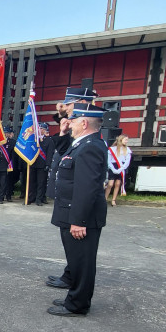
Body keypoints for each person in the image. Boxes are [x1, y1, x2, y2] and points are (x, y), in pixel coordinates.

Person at [47, 103, 109, 317]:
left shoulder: (90, 146)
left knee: (82, 262)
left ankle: (78, 304)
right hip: (72, 212)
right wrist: (63, 133)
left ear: (84, 123)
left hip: (81, 217)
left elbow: (87, 187)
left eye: (72, 120)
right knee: (76, 260)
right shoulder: (83, 143)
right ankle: (74, 296)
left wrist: (79, 221)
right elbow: (65, 153)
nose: (69, 123)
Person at [26, 123, 49, 205]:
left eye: (42, 129)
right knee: (31, 182)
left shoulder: (48, 140)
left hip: (42, 165)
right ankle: (30, 198)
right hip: (33, 164)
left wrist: (48, 164)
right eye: (39, 128)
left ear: (45, 130)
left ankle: (39, 199)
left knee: (41, 183)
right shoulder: (33, 140)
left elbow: (49, 154)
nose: (40, 130)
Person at [105, 134, 131, 207]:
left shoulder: (127, 150)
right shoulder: (112, 149)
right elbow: (108, 160)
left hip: (121, 167)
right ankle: (105, 199)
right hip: (113, 166)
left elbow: (127, 161)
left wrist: (121, 168)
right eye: (125, 139)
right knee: (110, 184)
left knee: (117, 184)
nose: (127, 141)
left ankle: (113, 200)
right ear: (121, 140)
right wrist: (113, 169)